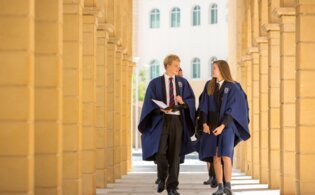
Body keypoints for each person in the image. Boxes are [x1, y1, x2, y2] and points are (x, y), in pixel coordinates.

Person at [138, 55, 196, 195]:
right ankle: (162, 178)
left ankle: (172, 187)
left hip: (177, 121)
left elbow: (191, 101)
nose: (178, 68)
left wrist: (182, 102)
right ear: (168, 66)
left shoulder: (183, 82)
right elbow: (149, 103)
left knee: (175, 155)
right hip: (161, 121)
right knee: (160, 153)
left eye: (178, 65)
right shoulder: (155, 83)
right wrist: (159, 109)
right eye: (176, 65)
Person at [198, 60, 250, 195]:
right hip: (211, 125)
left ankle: (228, 185)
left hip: (227, 126)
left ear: (222, 69)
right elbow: (203, 106)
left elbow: (234, 108)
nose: (213, 70)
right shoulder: (209, 85)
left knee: (226, 155)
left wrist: (222, 126)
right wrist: (204, 123)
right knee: (216, 156)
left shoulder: (233, 86)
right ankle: (220, 186)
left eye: (214, 68)